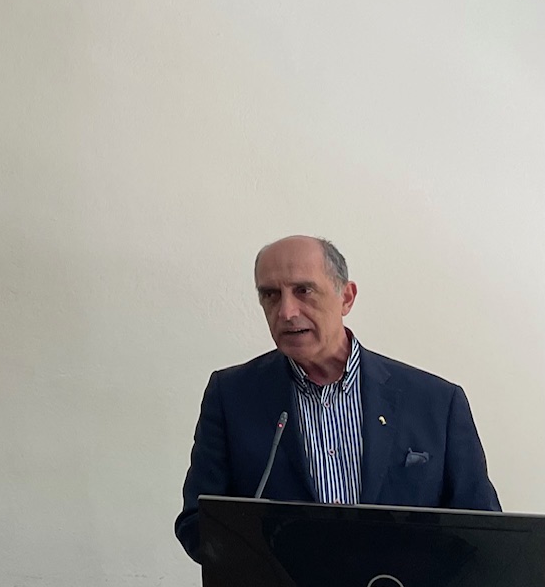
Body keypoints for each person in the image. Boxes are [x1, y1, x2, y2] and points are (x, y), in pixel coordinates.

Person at [176, 235, 499, 562]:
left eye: (304, 290)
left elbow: (483, 531)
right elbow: (197, 522)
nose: (286, 312)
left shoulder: (437, 402)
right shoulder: (232, 396)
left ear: (346, 297)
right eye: (271, 295)